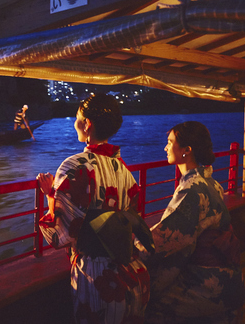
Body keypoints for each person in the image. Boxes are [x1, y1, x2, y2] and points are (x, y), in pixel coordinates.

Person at [37, 94, 154, 323]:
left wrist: (51, 194)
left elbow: (62, 233)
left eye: (77, 118)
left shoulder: (74, 166)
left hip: (97, 275)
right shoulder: (123, 169)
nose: (74, 124)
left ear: (87, 124)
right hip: (131, 269)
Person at [144, 121, 244, 323]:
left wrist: (127, 248)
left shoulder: (191, 189)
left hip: (208, 285)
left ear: (186, 150)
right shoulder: (212, 182)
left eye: (170, 142)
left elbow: (163, 241)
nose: (165, 147)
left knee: (145, 304)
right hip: (230, 277)